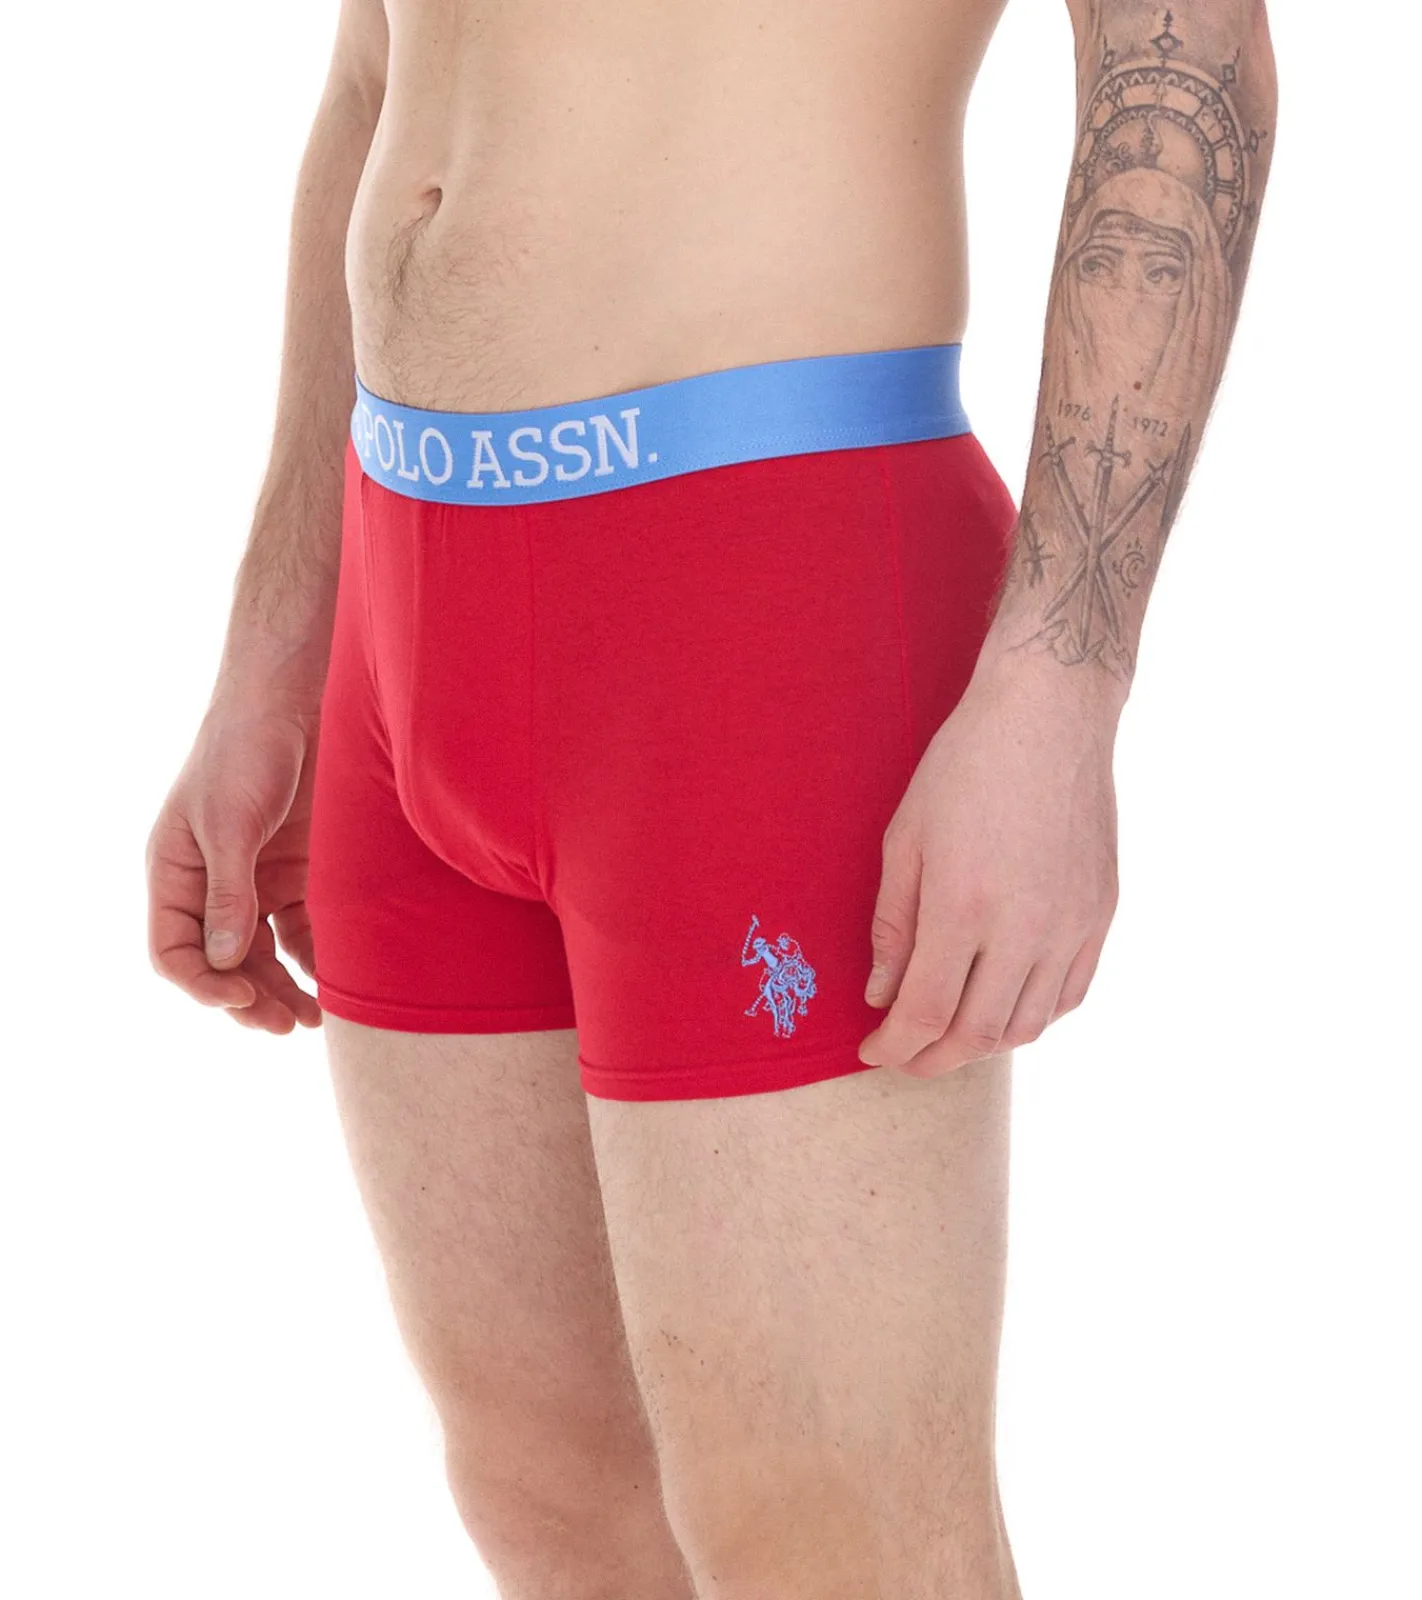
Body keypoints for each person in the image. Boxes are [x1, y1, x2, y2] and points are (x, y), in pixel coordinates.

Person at [146, 0, 1275, 1592]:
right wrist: (278, 644)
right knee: (549, 1486)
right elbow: (372, 73)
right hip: (402, 591)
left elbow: (1181, 61)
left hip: (763, 587)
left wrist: (1057, 689)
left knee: (828, 1529)